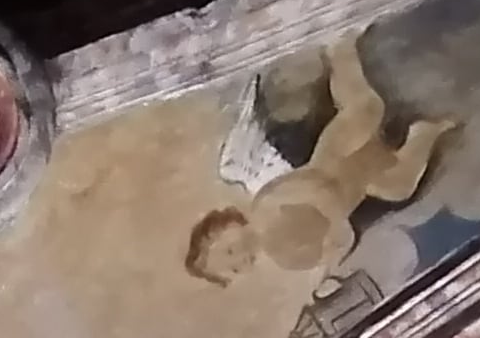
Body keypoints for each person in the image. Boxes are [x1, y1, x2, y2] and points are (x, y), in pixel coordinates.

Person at [188, 39, 455, 286]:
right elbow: (329, 250)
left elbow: (315, 187)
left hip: (337, 155)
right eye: (235, 269)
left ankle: (340, 49)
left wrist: (332, 215)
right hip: (359, 186)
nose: (240, 257)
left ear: (227, 224)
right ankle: (426, 132)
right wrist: (333, 249)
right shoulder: (285, 259)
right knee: (400, 185)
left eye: (230, 250)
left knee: (365, 109)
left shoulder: (265, 206)